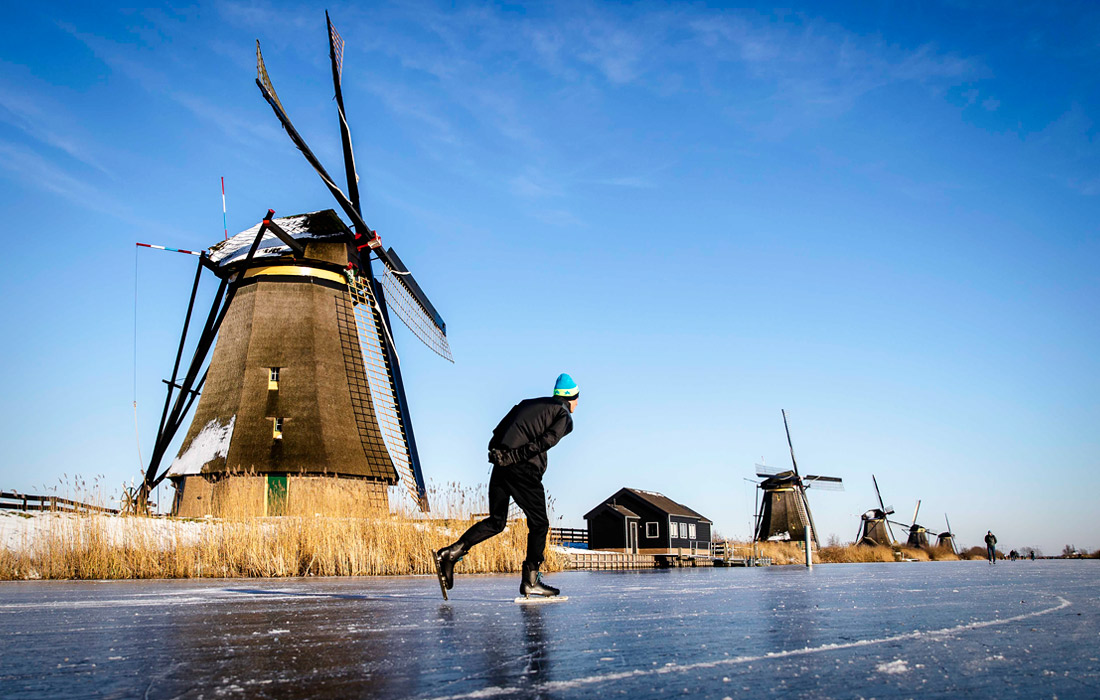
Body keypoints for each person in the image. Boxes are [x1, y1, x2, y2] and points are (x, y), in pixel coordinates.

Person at [434, 374, 579, 598]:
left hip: (501, 464)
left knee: (496, 521)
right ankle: (531, 580)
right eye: (577, 399)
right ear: (572, 398)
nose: (577, 404)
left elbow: (498, 431)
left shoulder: (528, 404)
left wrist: (500, 456)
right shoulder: (563, 414)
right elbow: (546, 441)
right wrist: (516, 457)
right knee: (540, 524)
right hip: (522, 468)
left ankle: (451, 553)